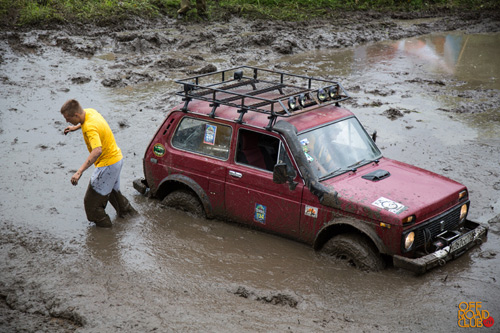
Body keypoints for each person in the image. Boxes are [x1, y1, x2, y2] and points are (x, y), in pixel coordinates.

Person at [61, 99, 136, 228]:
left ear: (76, 115)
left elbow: (97, 151)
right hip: (117, 159)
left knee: (92, 206)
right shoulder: (89, 112)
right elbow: (87, 123)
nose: (66, 121)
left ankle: (107, 236)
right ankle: (133, 219)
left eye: (68, 118)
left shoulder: (90, 128)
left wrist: (79, 172)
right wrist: (75, 128)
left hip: (107, 165)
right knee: (113, 194)